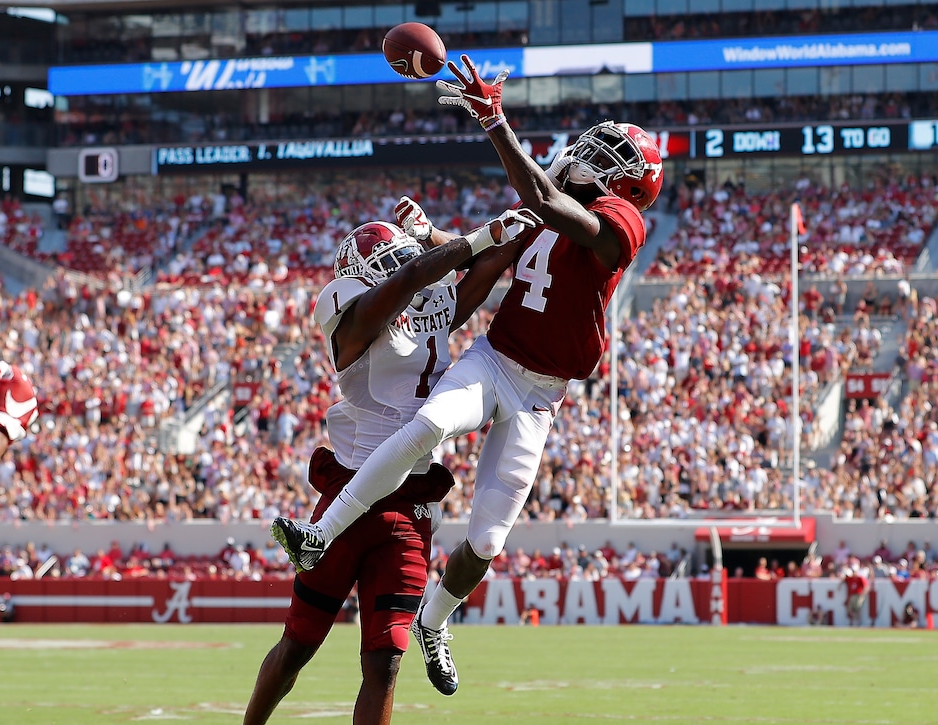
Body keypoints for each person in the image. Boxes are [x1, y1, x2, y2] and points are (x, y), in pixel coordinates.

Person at [271, 53, 662, 697]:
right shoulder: (550, 209)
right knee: (428, 424)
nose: (593, 150)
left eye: (611, 151)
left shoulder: (621, 222)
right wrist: (433, 236)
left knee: (486, 540)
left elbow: (543, 205)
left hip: (541, 395)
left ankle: (434, 620)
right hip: (494, 358)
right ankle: (320, 532)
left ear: (626, 181)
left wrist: (494, 121)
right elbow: (503, 242)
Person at [245, 206, 541, 725]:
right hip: (349, 491)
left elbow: (489, 265)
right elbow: (410, 278)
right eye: (394, 261)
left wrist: (517, 230)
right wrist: (478, 236)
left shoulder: (423, 301)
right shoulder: (349, 314)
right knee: (297, 646)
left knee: (384, 663)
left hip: (410, 509)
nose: (406, 266)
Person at [0, 361, 39, 466]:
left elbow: (2, 366)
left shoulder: (10, 371)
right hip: (25, 412)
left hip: (10, 405)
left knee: (3, 431)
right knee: (4, 434)